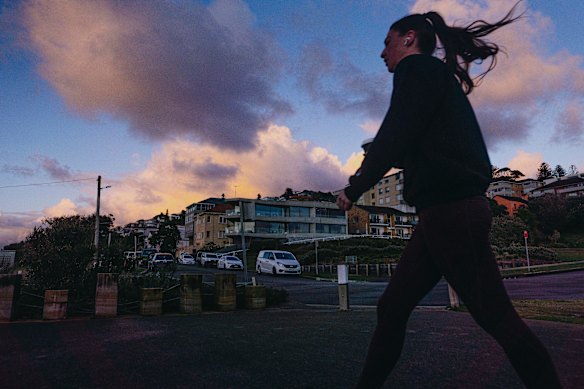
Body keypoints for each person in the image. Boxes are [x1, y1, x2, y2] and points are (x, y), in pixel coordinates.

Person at [336, 4, 562, 389]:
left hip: (451, 213)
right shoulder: (434, 79)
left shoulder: (417, 69)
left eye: (387, 42)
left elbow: (396, 130)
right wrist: (388, 154)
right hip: (440, 217)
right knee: (392, 308)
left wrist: (356, 185)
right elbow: (413, 140)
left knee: (497, 318)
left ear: (409, 40)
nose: (382, 53)